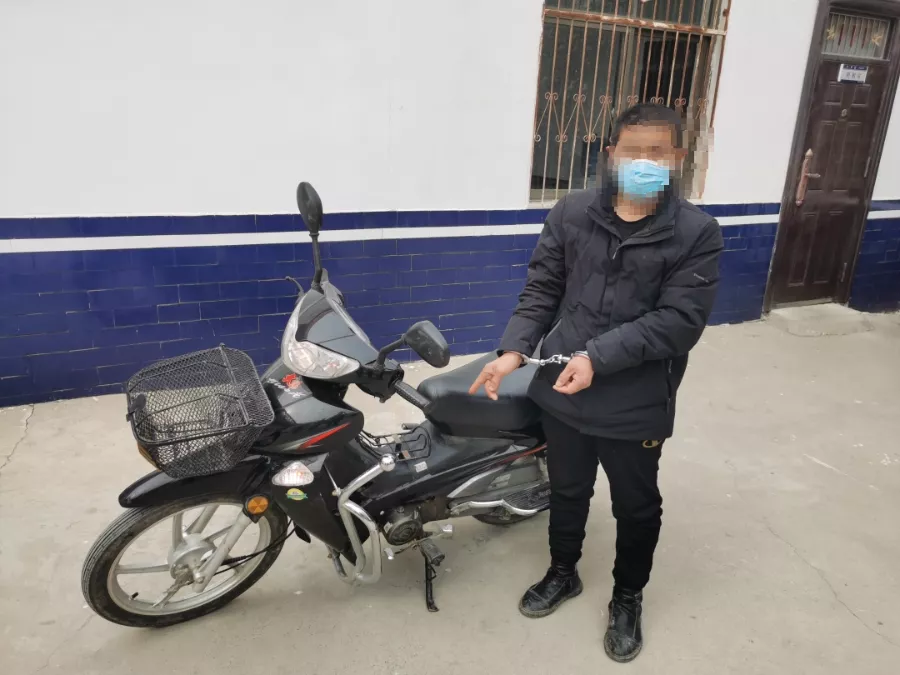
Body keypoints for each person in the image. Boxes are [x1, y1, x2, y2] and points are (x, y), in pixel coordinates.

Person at [469, 103, 723, 663]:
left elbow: (680, 321)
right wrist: (513, 350)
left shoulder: (696, 233)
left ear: (677, 158)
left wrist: (596, 357)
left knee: (635, 505)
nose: (644, 161)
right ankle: (563, 571)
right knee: (567, 489)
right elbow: (543, 288)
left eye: (657, 151)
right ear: (611, 154)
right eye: (633, 150)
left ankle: (627, 596)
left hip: (636, 398)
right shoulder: (572, 213)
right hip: (562, 388)